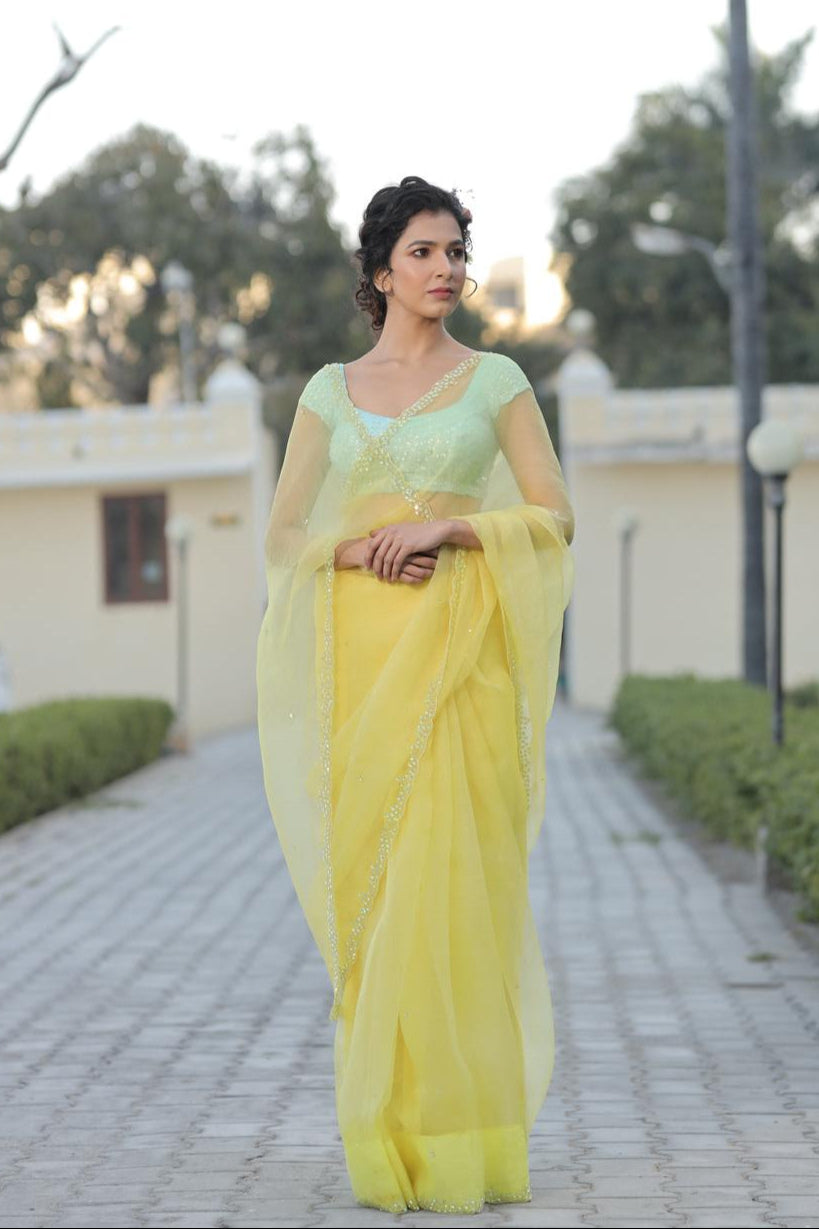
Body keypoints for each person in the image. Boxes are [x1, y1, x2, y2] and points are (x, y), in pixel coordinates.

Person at [256, 175, 576, 1215]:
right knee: (382, 894)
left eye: (456, 251)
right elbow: (283, 534)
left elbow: (555, 514)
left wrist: (450, 527)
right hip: (362, 661)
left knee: (454, 894)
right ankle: (385, 1136)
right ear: (380, 270)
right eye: (425, 252)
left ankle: (459, 1141)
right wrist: (359, 549)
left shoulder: (496, 381)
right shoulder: (328, 391)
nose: (446, 269)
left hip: (459, 659)